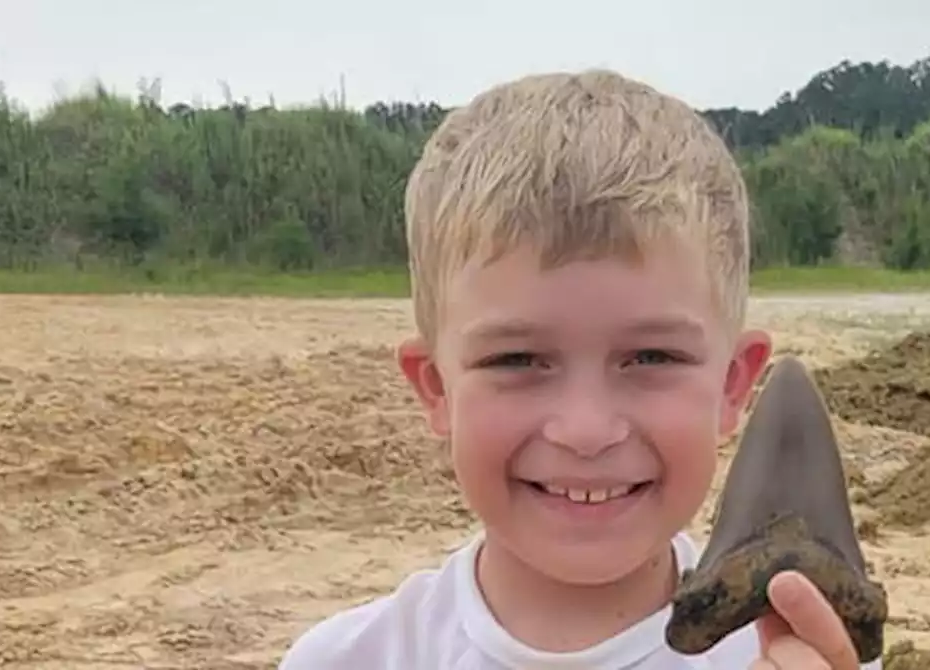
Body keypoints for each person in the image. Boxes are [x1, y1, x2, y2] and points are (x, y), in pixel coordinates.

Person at [278, 69, 885, 670]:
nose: (586, 430)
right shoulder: (351, 659)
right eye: (515, 359)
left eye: (652, 357)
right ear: (437, 387)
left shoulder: (800, 647)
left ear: (732, 384)